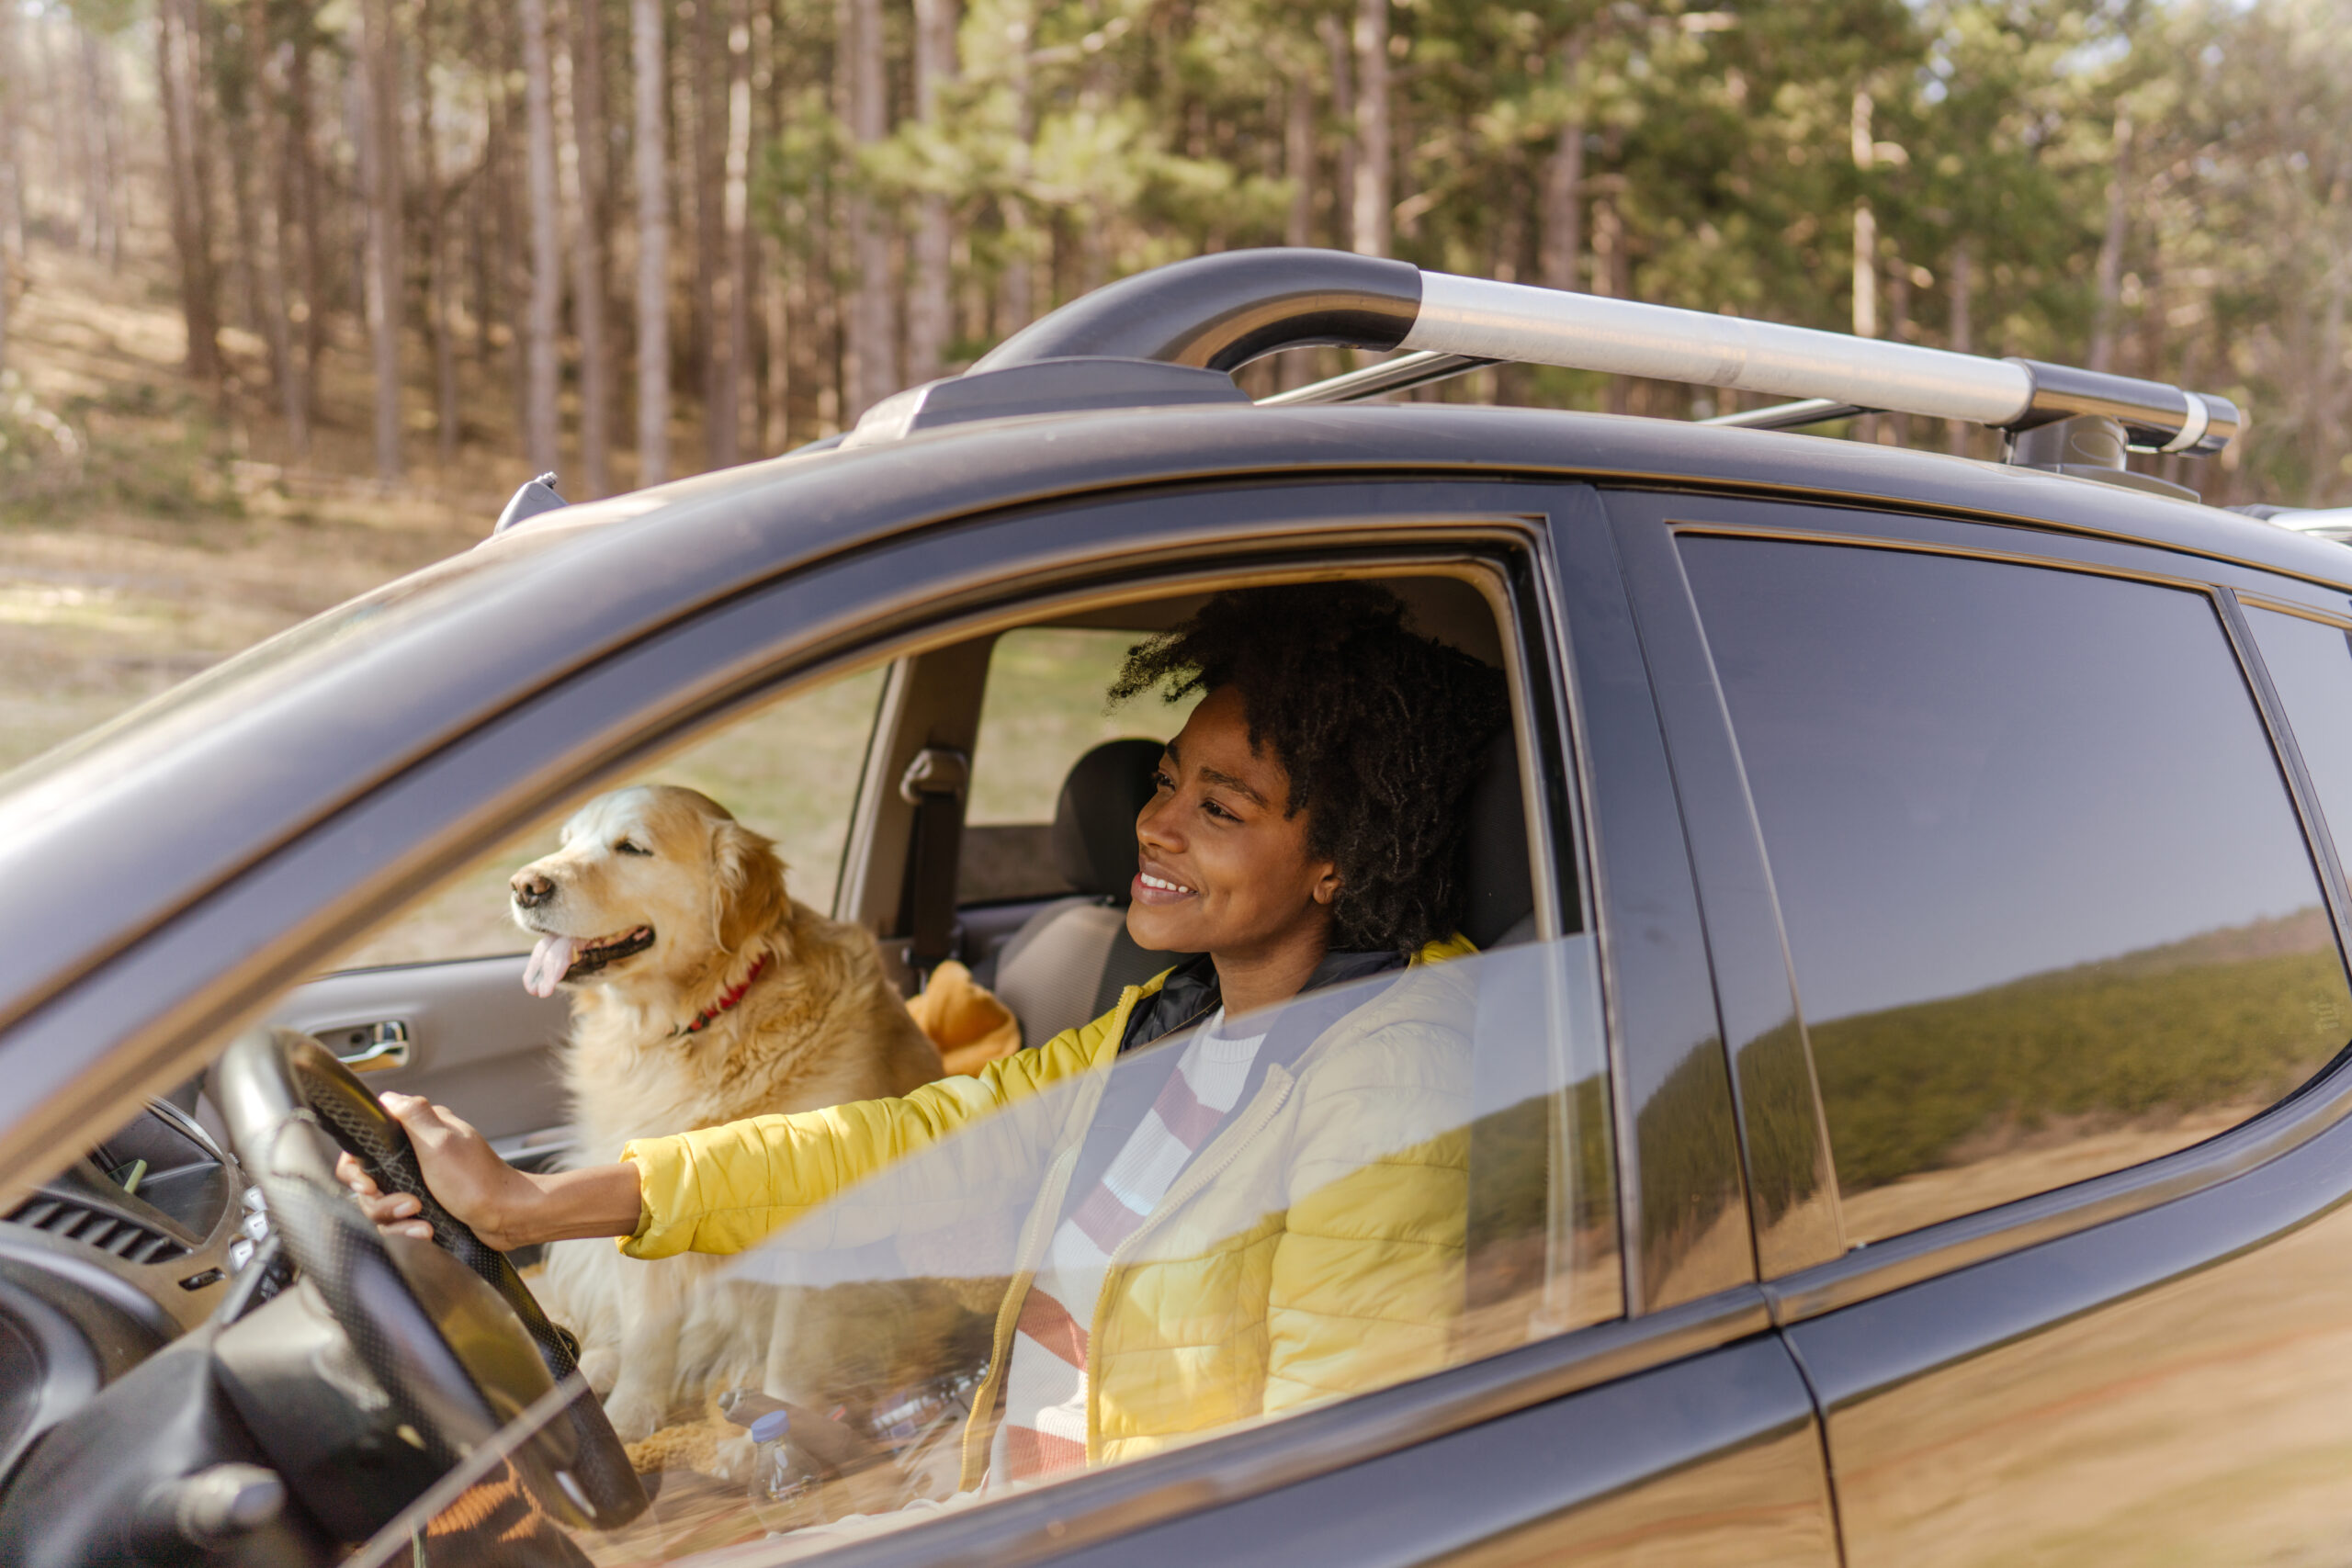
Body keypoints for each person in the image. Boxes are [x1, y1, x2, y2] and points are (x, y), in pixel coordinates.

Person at [343, 581, 1511, 1491]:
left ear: (1341, 861)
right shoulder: (1172, 1021)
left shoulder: (1389, 1087)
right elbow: (898, 1142)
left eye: (1219, 807)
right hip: (998, 1476)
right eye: (1164, 781)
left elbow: (1335, 1478)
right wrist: (537, 1206)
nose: (1151, 824)